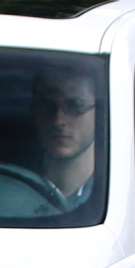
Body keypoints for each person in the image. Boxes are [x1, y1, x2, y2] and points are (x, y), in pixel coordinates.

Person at [31, 61, 102, 208]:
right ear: (34, 111)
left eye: (76, 106)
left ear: (100, 113)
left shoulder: (125, 187)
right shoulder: (9, 187)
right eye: (47, 107)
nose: (59, 120)